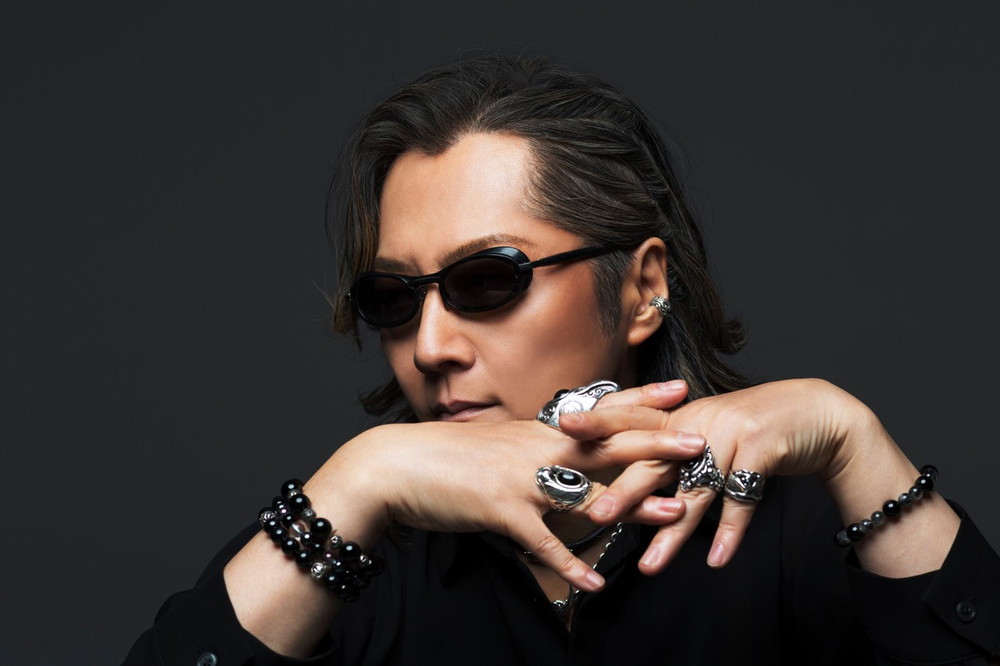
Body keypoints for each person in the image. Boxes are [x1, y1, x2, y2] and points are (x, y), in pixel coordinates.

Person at [124, 55, 1000, 665]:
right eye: (394, 298)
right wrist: (361, 477)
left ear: (642, 287)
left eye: (486, 280)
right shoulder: (354, 546)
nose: (429, 347)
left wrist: (856, 442)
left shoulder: (802, 530)